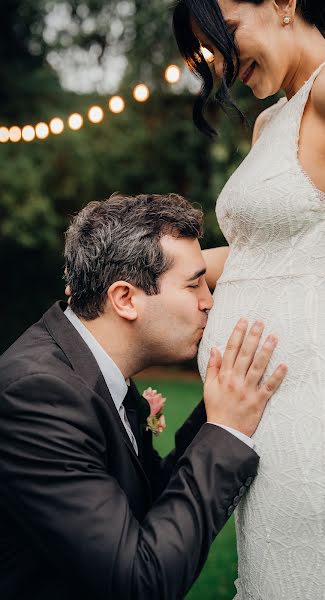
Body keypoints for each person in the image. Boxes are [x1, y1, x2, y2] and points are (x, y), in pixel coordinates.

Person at [173, 0, 325, 597]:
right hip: (260, 423)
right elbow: (256, 261)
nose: (220, 63)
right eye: (208, 51)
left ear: (281, 4)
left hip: (319, 410)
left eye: (227, 35)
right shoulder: (270, 124)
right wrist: (138, 268)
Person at [0, 193, 287, 600]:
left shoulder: (85, 363)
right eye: (194, 285)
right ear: (125, 299)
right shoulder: (38, 395)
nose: (208, 301)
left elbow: (147, 503)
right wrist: (225, 433)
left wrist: (219, 411)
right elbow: (140, 582)